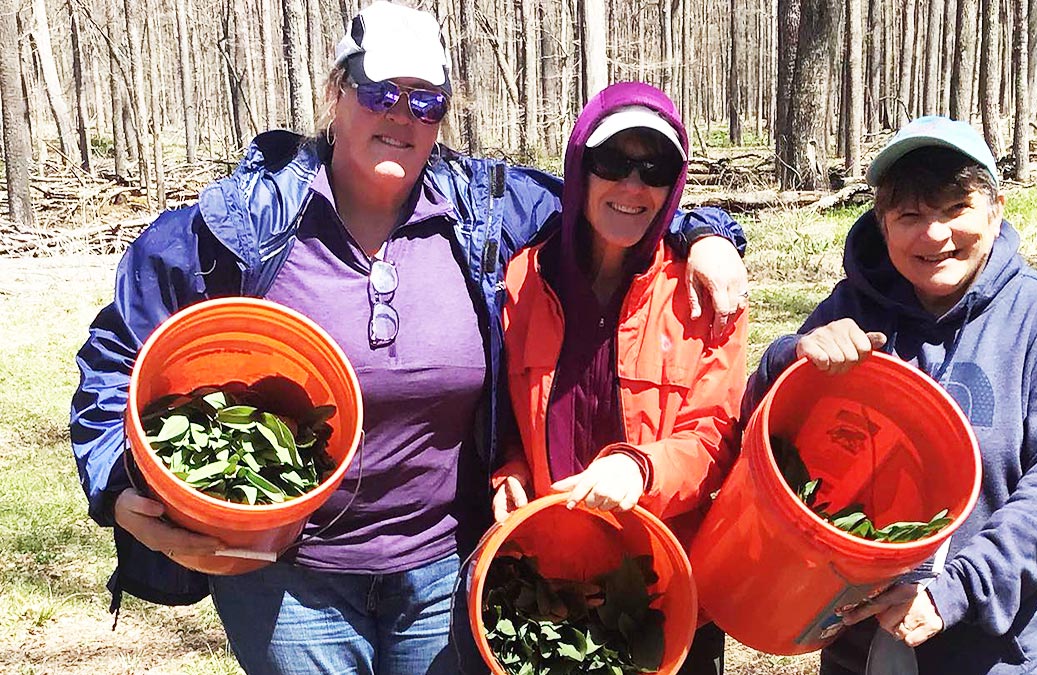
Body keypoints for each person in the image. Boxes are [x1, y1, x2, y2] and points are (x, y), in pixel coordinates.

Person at [68, 4, 748, 675]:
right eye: (380, 92)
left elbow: (619, 200)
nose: (402, 115)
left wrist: (711, 232)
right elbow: (118, 351)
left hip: (441, 571)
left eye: (427, 102)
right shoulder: (241, 225)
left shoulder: (486, 210)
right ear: (336, 93)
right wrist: (114, 485)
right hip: (285, 579)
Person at [744, 116, 1037, 675]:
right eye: (911, 215)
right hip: (860, 648)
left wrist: (955, 592)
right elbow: (760, 436)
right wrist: (789, 357)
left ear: (996, 209)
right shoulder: (854, 311)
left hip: (1006, 655)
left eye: (955, 209)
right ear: (882, 225)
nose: (934, 235)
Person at [491, 82, 746, 675]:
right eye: (613, 163)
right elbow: (502, 408)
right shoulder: (521, 280)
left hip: (664, 593)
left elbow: (715, 434)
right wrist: (510, 468)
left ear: (673, 185)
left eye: (654, 168)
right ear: (581, 167)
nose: (633, 187)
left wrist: (639, 467)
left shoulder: (704, 292)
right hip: (547, 591)